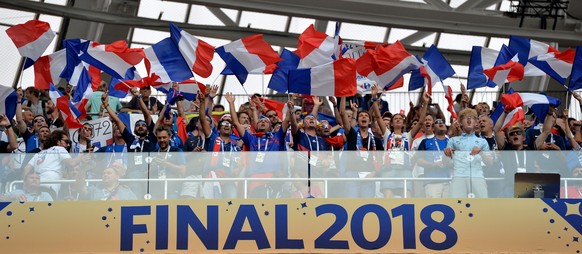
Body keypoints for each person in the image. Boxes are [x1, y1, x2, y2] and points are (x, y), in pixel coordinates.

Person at [226, 92, 289, 198]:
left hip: (273, 177)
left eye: (266, 121)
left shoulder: (276, 136)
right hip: (255, 177)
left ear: (270, 126)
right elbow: (236, 123)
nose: (263, 122)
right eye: (260, 121)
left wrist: (290, 110)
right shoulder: (251, 138)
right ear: (256, 125)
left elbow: (287, 120)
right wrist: (231, 103)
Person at [444, 108, 491, 198]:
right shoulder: (453, 140)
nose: (469, 120)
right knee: (457, 205)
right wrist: (446, 155)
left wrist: (480, 153)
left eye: (472, 118)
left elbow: (490, 163)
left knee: (482, 205)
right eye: (465, 118)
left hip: (477, 176)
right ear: (460, 122)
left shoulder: (482, 141)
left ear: (476, 123)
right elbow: (446, 163)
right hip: (458, 176)